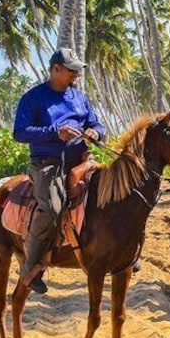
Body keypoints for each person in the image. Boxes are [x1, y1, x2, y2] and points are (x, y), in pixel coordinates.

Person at [13, 47, 105, 294]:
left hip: (81, 159)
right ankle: (30, 267)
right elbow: (19, 132)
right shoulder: (33, 98)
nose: (75, 75)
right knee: (52, 205)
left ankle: (118, 251)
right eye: (71, 71)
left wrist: (95, 132)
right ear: (56, 69)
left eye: (76, 71)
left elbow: (95, 123)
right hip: (47, 163)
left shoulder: (79, 98)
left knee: (109, 191)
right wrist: (56, 133)